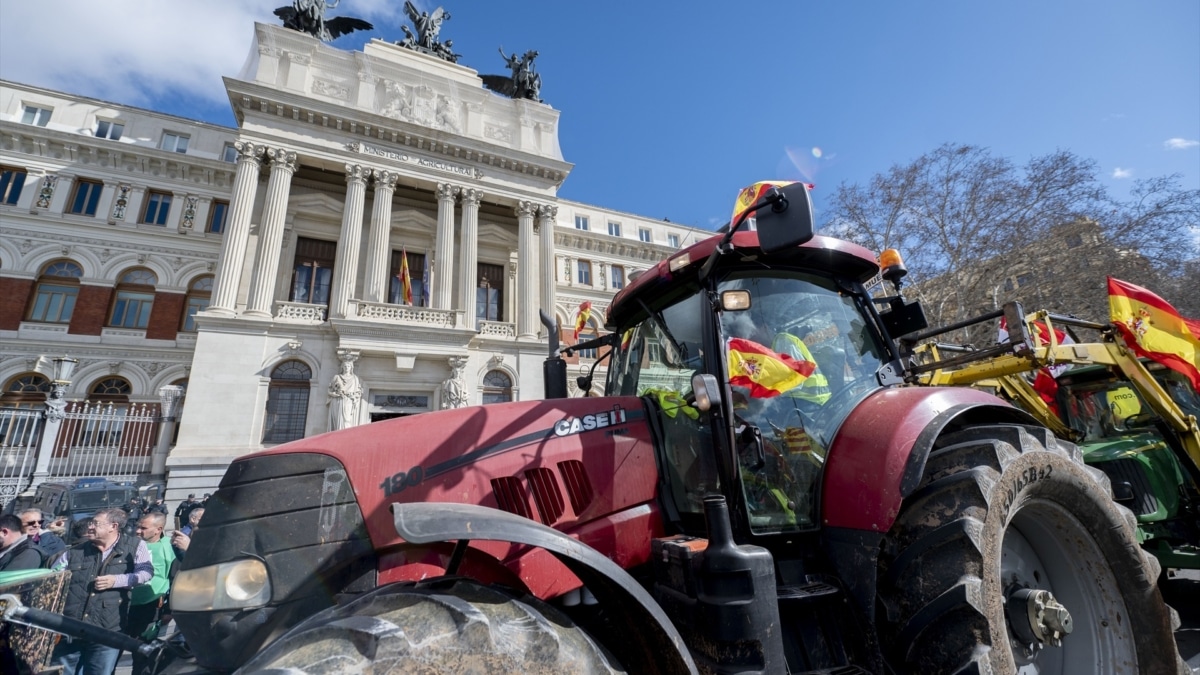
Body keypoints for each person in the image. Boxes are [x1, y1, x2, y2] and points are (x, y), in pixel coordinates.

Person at [49, 508, 153, 675]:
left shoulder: (135, 546)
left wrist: (117, 580)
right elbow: (53, 579)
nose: (90, 527)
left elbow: (146, 573)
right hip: (72, 627)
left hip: (107, 629)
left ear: (113, 526)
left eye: (95, 523)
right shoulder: (74, 552)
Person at [125, 513, 176, 675]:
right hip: (126, 604)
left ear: (158, 529)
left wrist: (168, 610)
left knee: (142, 651)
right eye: (138, 527)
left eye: (143, 528)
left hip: (151, 604)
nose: (138, 531)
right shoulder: (131, 545)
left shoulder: (168, 546)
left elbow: (175, 577)